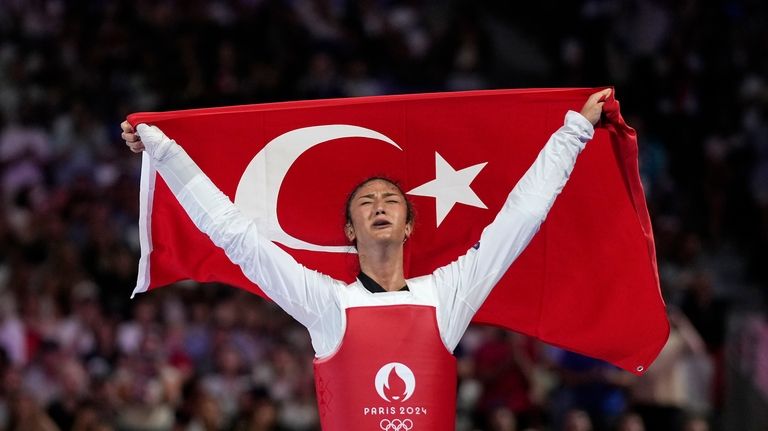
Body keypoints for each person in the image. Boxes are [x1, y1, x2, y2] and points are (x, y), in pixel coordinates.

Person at [120, 88, 612, 430]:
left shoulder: (446, 296)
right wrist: (162, 151)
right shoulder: (327, 303)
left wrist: (574, 131)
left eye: (391, 200)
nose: (379, 204)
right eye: (366, 202)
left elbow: (518, 220)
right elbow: (234, 235)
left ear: (409, 226)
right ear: (350, 231)